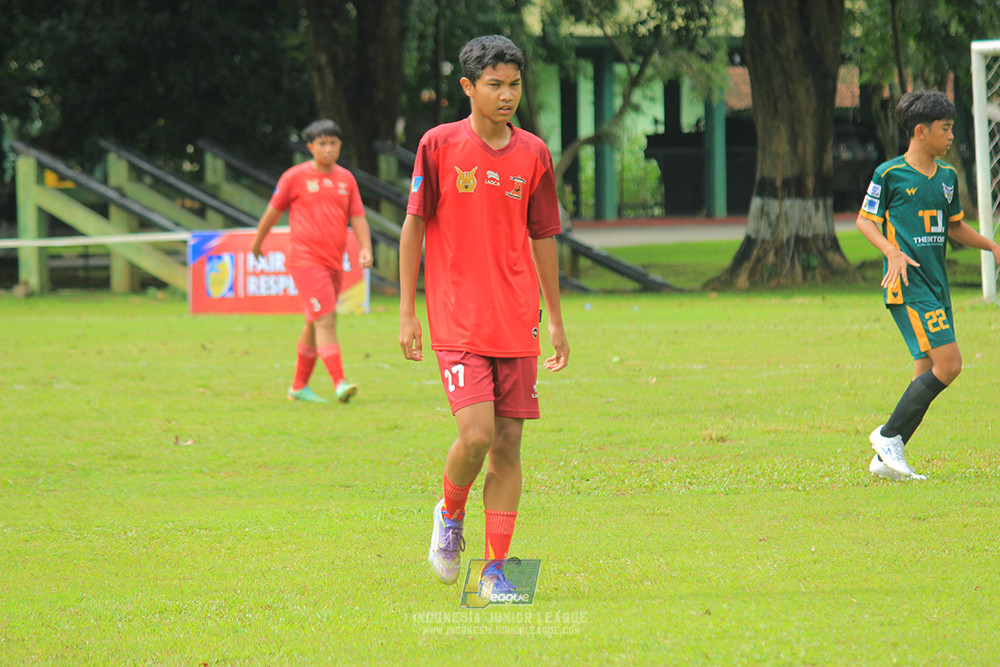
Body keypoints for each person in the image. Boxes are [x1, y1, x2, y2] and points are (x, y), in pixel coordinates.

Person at [398, 35, 570, 588]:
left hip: (517, 318)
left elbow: (543, 236)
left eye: (514, 84)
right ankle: (449, 515)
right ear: (469, 87)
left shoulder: (534, 153)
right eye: (494, 84)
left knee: (508, 445)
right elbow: (413, 227)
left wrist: (556, 320)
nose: (506, 95)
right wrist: (407, 312)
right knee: (476, 436)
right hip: (457, 317)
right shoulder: (438, 145)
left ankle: (496, 572)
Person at [856, 90, 1000, 480]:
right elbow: (865, 220)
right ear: (921, 131)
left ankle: (887, 458)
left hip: (937, 285)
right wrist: (892, 251)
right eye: (945, 128)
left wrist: (990, 246)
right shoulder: (889, 174)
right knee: (949, 365)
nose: (951, 136)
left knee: (924, 371)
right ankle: (888, 437)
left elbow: (954, 226)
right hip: (908, 284)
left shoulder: (948, 177)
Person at [251, 119, 373, 404]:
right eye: (322, 144)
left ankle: (298, 386)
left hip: (334, 262)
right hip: (305, 260)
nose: (328, 149)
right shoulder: (295, 177)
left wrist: (366, 248)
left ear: (340, 145)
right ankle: (339, 382)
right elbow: (272, 211)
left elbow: (358, 216)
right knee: (326, 319)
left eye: (333, 143)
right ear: (310, 147)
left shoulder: (346, 179)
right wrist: (257, 243)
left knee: (315, 320)